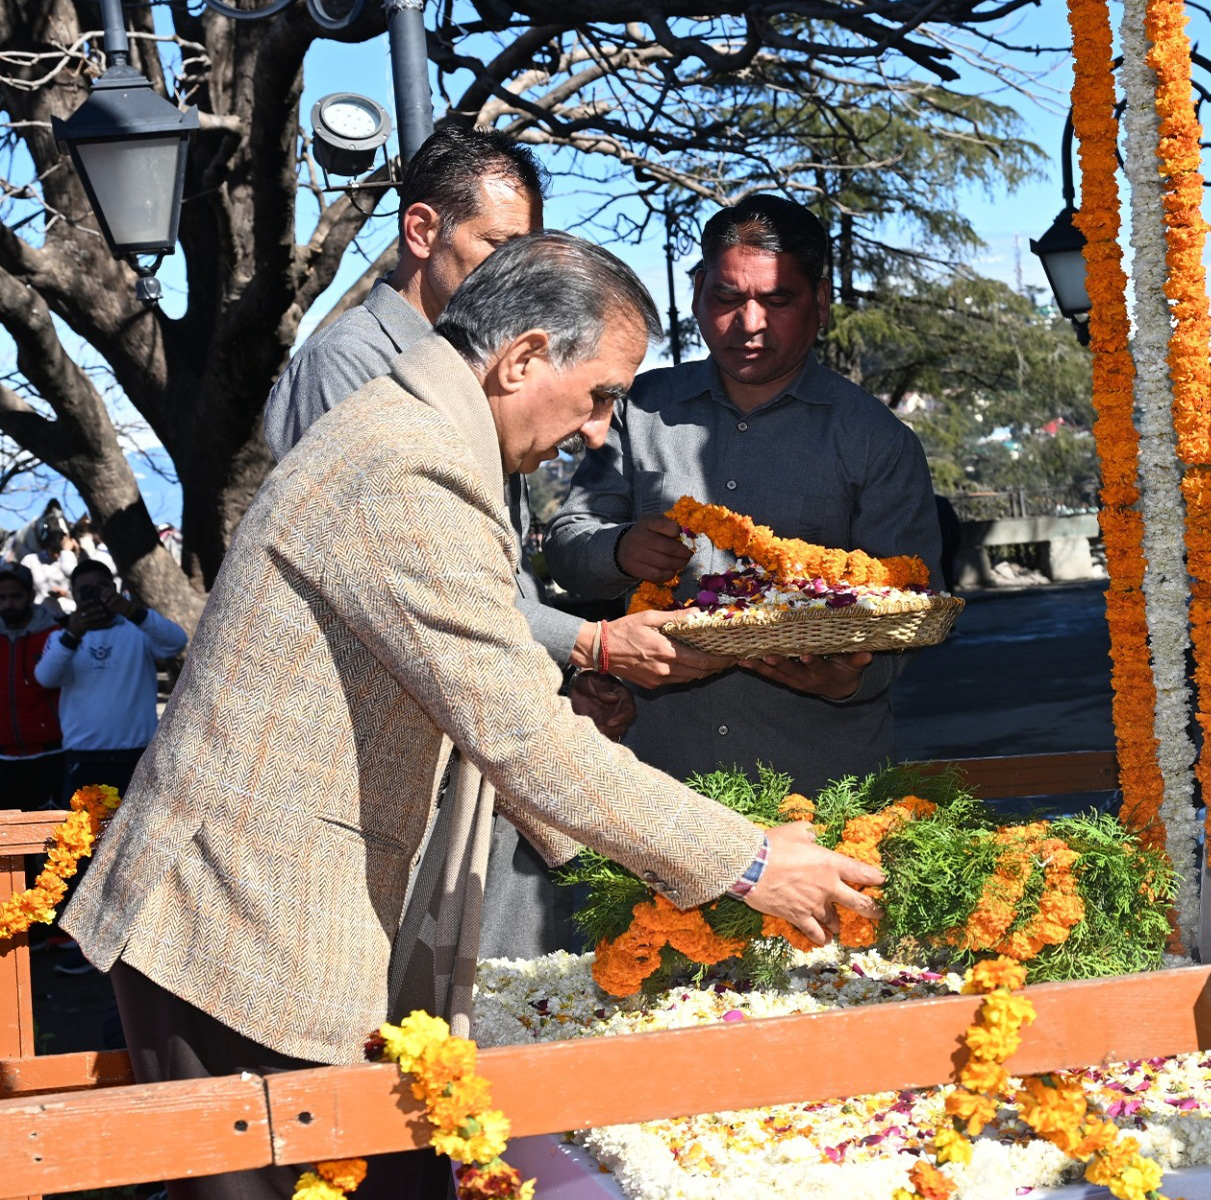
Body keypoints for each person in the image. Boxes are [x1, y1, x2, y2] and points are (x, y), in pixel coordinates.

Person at [62, 233, 881, 1200]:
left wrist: (663, 867)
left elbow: (492, 710)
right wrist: (742, 863)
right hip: (234, 933)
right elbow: (520, 734)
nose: (596, 434)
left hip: (272, 923)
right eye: (602, 395)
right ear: (523, 357)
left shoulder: (420, 439)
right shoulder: (409, 466)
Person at [263, 124, 727, 961]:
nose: (518, 275)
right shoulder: (365, 382)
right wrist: (587, 644)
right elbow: (427, 596)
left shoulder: (477, 379)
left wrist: (564, 671)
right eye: (498, 247)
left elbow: (495, 576)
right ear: (421, 233)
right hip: (350, 806)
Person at [544, 195, 944, 795]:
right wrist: (621, 550)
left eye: (777, 301)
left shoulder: (875, 441)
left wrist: (847, 680)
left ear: (821, 302)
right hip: (655, 781)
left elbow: (912, 600)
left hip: (821, 787)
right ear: (700, 291)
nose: (749, 323)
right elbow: (566, 548)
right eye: (728, 299)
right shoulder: (635, 411)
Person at [33, 560, 188, 803]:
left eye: (102, 586)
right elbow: (46, 678)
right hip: (84, 756)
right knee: (80, 837)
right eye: (86, 589)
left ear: (114, 587)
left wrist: (132, 612)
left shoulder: (137, 630)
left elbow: (176, 641)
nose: (96, 593)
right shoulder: (61, 638)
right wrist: (73, 635)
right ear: (74, 594)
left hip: (138, 754)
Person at [0, 563, 64, 812]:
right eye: (2, 597)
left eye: (15, 596)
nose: (8, 604)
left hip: (51, 754)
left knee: (54, 842)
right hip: (3, 757)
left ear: (30, 596)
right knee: (7, 843)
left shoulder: (56, 633)